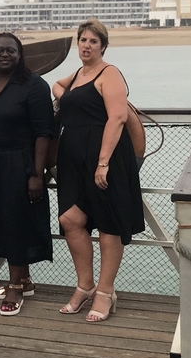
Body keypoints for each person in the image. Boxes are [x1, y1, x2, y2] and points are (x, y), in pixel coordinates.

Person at [52, 19, 144, 322]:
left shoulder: (110, 73)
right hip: (73, 158)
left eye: (93, 41)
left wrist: (103, 162)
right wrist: (64, 94)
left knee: (108, 225)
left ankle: (105, 292)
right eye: (83, 40)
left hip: (105, 156)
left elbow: (117, 118)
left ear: (103, 46)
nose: (87, 46)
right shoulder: (79, 73)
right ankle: (86, 285)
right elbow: (58, 85)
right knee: (70, 219)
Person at [0, 33, 55, 316]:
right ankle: (24, 278)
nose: (4, 55)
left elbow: (44, 132)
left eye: (10, 50)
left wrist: (37, 174)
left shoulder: (34, 86)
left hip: (21, 163)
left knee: (15, 223)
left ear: (20, 54)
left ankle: (14, 288)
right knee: (8, 219)